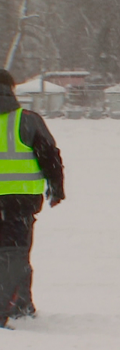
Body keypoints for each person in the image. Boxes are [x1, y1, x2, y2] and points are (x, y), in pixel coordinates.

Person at [0, 69, 64, 329]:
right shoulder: (27, 120)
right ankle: (15, 304)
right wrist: (56, 187)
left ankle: (19, 303)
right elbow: (49, 155)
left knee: (10, 256)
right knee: (15, 254)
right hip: (19, 202)